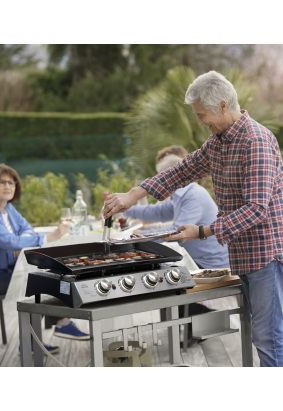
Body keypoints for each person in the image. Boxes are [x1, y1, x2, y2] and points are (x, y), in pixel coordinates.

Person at [104, 71, 283, 367]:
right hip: (243, 255)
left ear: (223, 105)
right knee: (263, 336)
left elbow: (256, 209)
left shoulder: (256, 141)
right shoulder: (218, 142)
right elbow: (181, 171)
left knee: (269, 338)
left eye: (202, 115)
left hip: (266, 255)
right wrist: (133, 195)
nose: (199, 122)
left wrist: (202, 231)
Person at [0, 163, 89, 352]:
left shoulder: (8, 209)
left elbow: (26, 229)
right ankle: (41, 336)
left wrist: (19, 241)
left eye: (11, 183)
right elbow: (7, 241)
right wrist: (47, 237)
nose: (7, 187)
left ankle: (57, 324)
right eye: (1, 182)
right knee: (35, 283)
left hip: (2, 270)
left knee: (46, 275)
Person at [123, 146, 230, 346]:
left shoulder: (194, 195)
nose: (159, 185)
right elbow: (155, 213)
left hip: (210, 264)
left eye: (161, 178)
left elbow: (177, 232)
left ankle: (202, 320)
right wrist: (126, 210)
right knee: (161, 276)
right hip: (196, 261)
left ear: (172, 175)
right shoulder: (181, 195)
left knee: (162, 279)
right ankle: (190, 325)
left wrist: (137, 237)